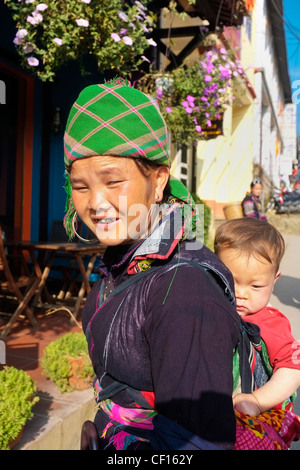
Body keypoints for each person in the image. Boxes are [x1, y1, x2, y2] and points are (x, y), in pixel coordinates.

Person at [63, 78, 241, 450]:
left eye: (113, 181)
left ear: (158, 180)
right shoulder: (126, 260)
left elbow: (197, 445)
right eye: (81, 187)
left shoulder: (185, 290)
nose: (95, 203)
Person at [214, 218, 300, 449]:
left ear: (275, 280)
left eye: (256, 286)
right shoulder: (212, 309)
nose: (241, 294)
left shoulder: (271, 323)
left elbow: (293, 368)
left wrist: (258, 400)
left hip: (254, 422)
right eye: (231, 280)